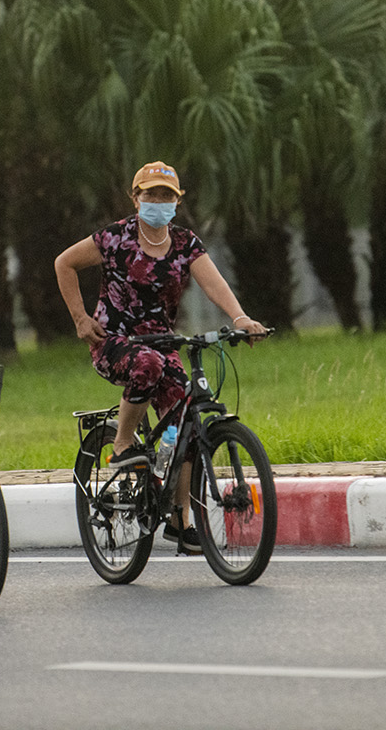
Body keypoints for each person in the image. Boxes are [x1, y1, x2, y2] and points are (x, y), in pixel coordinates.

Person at [54, 161, 267, 552]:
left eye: (166, 195)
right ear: (135, 199)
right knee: (147, 367)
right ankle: (121, 445)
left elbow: (212, 282)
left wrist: (240, 317)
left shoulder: (186, 243)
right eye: (150, 194)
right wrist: (81, 320)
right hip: (113, 342)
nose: (158, 201)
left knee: (183, 415)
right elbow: (63, 263)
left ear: (177, 201)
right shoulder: (115, 238)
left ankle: (179, 520)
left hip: (163, 341)